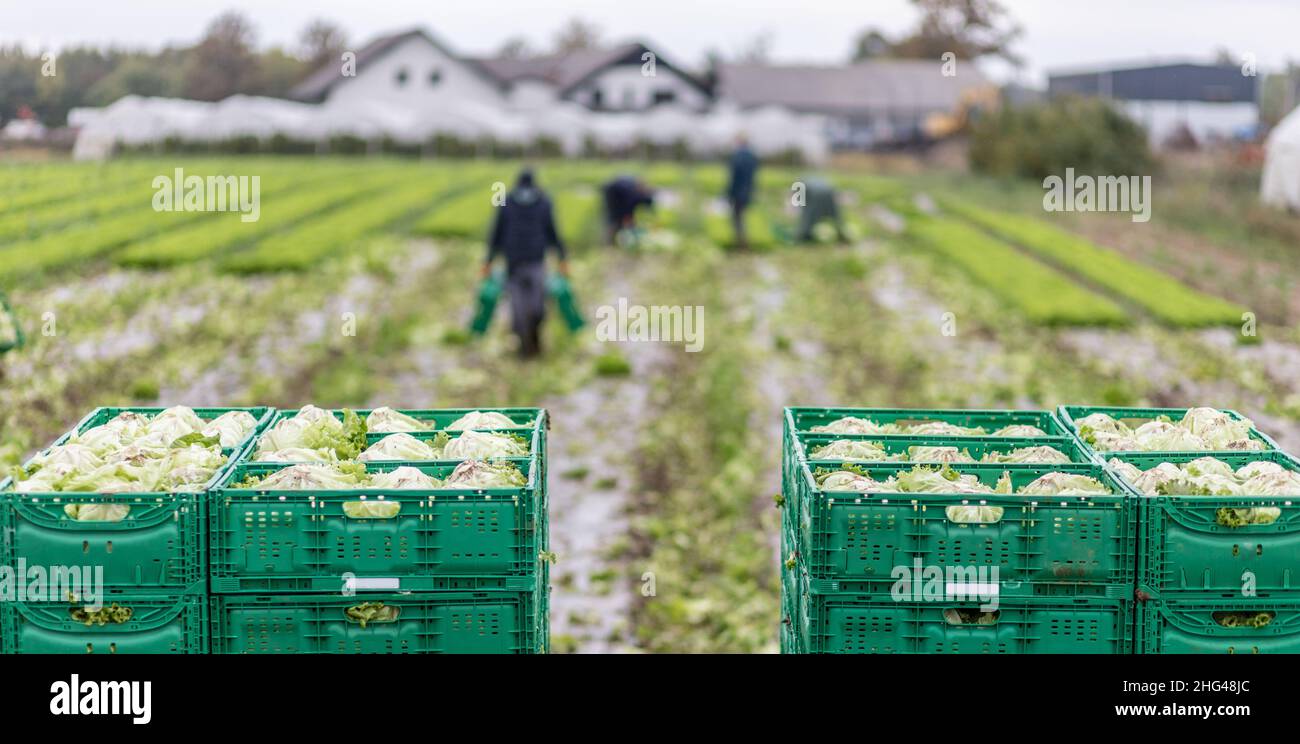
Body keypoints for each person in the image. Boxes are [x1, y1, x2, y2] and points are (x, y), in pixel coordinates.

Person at [484, 168, 568, 358]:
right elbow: (496, 232)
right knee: (519, 307)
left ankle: (534, 339)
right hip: (513, 263)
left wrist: (562, 257)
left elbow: (552, 230)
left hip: (535, 261)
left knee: (537, 307)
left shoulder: (544, 203)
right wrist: (488, 260)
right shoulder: (505, 203)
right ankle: (524, 346)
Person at [726, 134, 759, 250]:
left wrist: (729, 194)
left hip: (738, 193)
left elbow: (734, 178)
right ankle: (743, 242)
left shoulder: (738, 157)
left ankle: (741, 243)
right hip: (748, 191)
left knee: (737, 218)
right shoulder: (752, 157)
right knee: (742, 217)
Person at [601, 175, 655, 244]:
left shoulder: (638, 192)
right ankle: (609, 243)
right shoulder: (634, 193)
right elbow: (628, 206)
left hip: (616, 196)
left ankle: (612, 241)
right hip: (613, 196)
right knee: (613, 221)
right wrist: (627, 217)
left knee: (617, 221)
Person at [795, 175, 848, 243]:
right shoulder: (817, 181)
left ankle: (804, 236)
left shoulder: (799, 185)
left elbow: (801, 207)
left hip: (815, 193)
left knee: (809, 216)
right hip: (829, 192)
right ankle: (841, 234)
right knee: (833, 215)